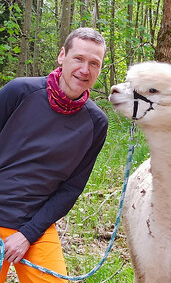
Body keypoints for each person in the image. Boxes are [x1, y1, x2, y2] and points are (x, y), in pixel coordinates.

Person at [0, 27, 108, 282]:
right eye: (79, 59)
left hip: (35, 226)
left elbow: (71, 189)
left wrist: (27, 234)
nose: (85, 69)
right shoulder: (19, 92)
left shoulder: (96, 123)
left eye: (94, 63)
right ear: (62, 56)